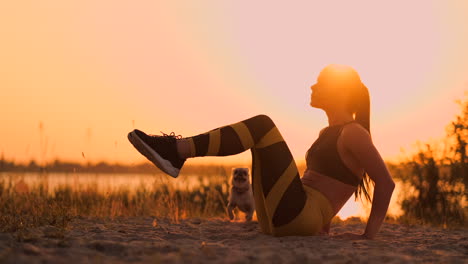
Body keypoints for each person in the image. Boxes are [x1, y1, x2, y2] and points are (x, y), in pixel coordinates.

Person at [127, 64, 395, 239]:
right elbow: (329, 187)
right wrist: (323, 224)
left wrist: (367, 236)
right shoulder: (327, 134)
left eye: (321, 82)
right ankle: (177, 151)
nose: (313, 86)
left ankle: (178, 150)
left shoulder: (354, 133)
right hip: (279, 218)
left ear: (342, 92)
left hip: (297, 217)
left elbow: (386, 182)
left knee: (263, 127)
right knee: (259, 141)